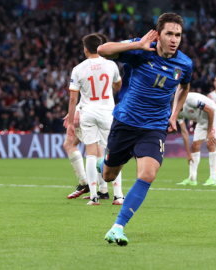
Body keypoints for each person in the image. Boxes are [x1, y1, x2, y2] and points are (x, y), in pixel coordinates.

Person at [94, 13, 192, 246]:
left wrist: (175, 114)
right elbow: (102, 50)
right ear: (158, 34)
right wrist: (136, 44)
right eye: (169, 33)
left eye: (178, 35)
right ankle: (103, 163)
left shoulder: (185, 64)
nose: (174, 39)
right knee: (109, 175)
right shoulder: (140, 50)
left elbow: (184, 86)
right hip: (126, 122)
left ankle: (118, 227)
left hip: (154, 127)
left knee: (148, 174)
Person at [66, 33, 124, 206]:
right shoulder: (111, 65)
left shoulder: (78, 68)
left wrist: (70, 122)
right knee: (112, 153)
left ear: (85, 49)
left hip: (88, 113)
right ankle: (118, 196)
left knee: (91, 153)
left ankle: (94, 197)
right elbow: (119, 86)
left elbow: (72, 99)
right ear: (100, 47)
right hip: (107, 112)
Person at [176, 92, 216, 186]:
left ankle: (213, 178)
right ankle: (192, 178)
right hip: (202, 120)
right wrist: (188, 153)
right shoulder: (177, 113)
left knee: (210, 144)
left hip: (214, 115)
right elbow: (184, 132)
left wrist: (209, 132)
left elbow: (210, 111)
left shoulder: (190, 100)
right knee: (195, 146)